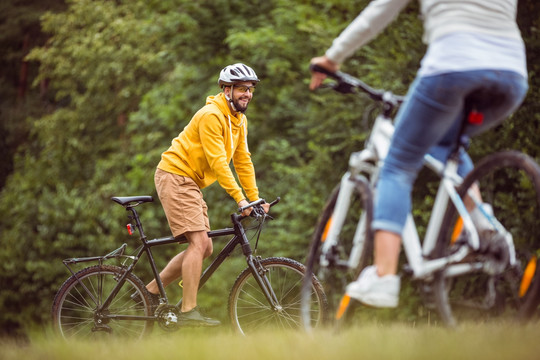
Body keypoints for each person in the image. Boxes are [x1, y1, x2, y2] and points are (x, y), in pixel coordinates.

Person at [309, 0, 528, 308]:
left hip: (452, 67)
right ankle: (486, 230)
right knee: (446, 143)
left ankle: (384, 275)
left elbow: (379, 12)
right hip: (511, 76)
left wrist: (332, 59)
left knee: (397, 165)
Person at [145, 63, 270, 326]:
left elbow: (243, 161)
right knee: (199, 243)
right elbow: (218, 163)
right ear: (226, 90)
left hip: (189, 181)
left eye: (250, 89)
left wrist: (254, 197)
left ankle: (150, 292)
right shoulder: (211, 115)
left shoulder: (239, 120)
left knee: (205, 247)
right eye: (241, 89)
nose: (247, 94)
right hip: (176, 175)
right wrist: (240, 198)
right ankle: (188, 310)